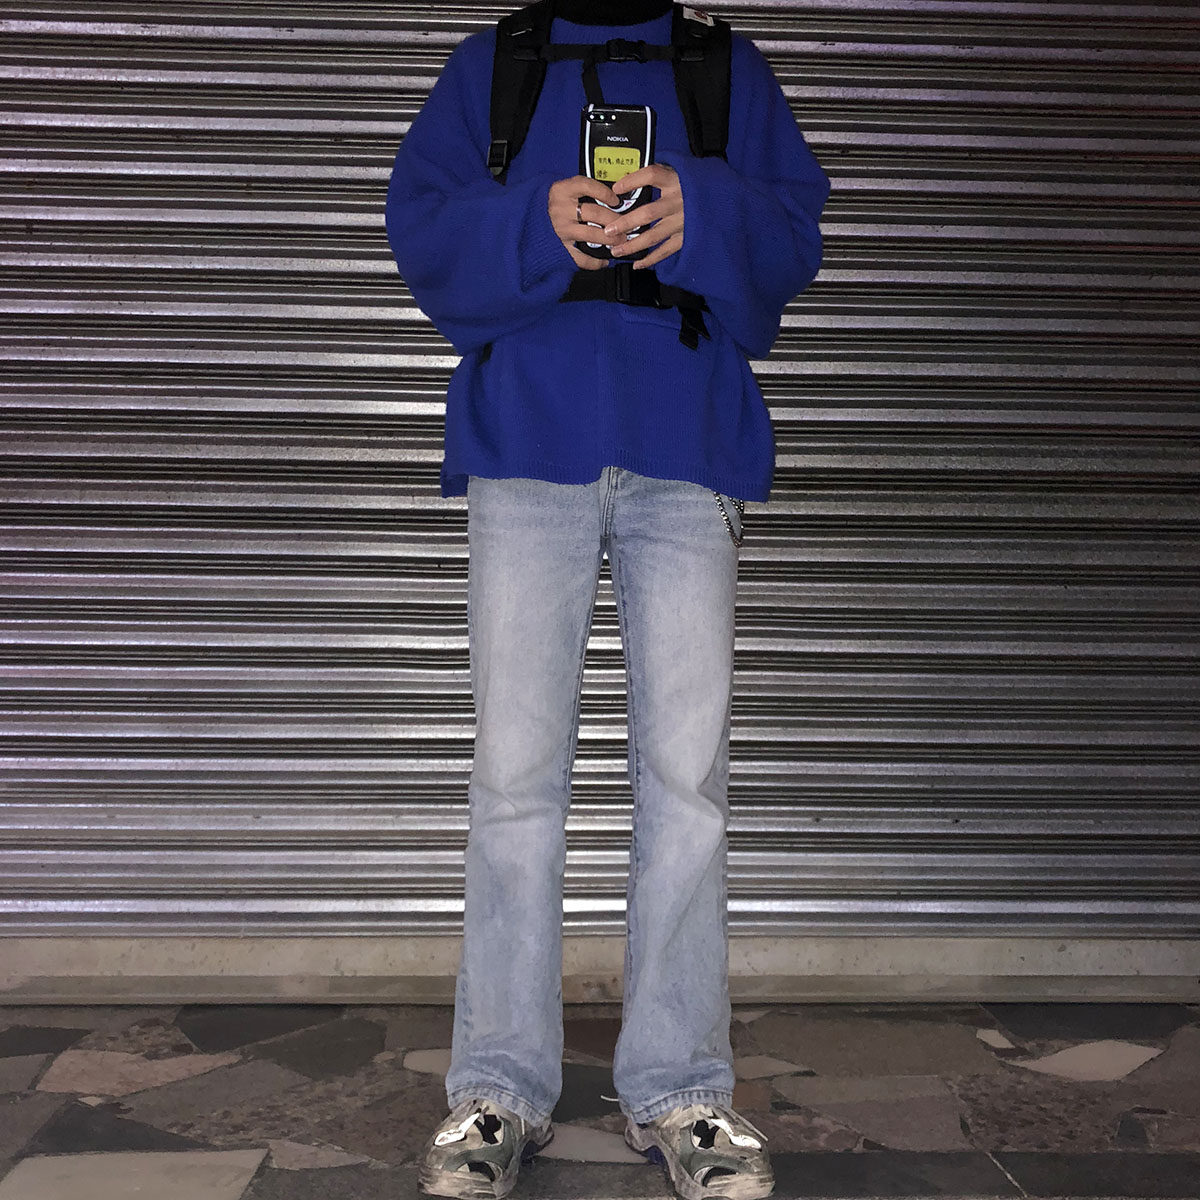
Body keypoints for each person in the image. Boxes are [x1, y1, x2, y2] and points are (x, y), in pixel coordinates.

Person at [385, 0, 828, 1195]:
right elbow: (418, 224)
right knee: (513, 779)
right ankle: (495, 1087)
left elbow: (796, 235)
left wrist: (703, 212)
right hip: (526, 444)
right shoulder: (496, 63)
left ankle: (683, 1090)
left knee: (687, 783)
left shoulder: (725, 66)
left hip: (689, 448)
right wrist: (533, 222)